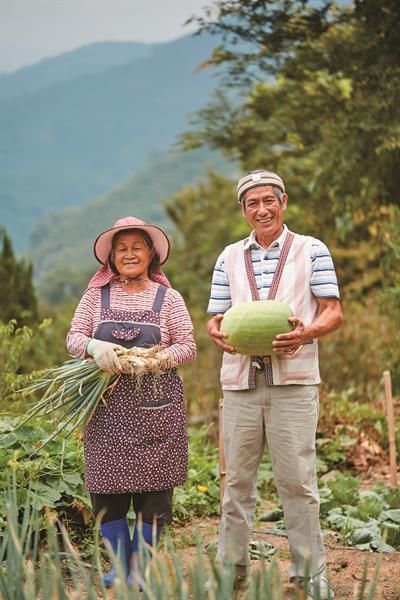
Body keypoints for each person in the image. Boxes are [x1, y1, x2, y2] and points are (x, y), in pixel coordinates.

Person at [207, 170, 342, 599]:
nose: (261, 209)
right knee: (235, 486)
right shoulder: (227, 257)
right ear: (242, 209)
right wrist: (215, 331)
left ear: (283, 201)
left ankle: (310, 577)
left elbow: (333, 312)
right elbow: (216, 318)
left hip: (294, 383)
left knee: (298, 484)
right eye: (252, 203)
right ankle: (232, 575)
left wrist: (305, 333)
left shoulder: (312, 250)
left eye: (269, 200)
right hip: (240, 384)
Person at [66, 216, 196, 587]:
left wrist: (152, 360)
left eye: (137, 247)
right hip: (105, 410)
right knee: (106, 490)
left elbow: (188, 346)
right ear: (111, 257)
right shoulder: (96, 296)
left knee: (155, 493)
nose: (129, 254)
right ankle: (119, 566)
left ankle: (141, 568)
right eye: (121, 248)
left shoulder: (168, 297)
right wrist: (94, 345)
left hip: (155, 407)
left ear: (151, 253)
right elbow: (74, 338)